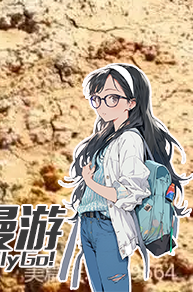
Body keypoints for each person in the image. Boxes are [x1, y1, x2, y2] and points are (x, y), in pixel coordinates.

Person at [60, 62, 189, 291]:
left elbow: (132, 191)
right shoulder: (107, 138)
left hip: (108, 226)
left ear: (132, 102)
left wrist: (90, 182)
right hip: (89, 224)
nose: (102, 106)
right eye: (97, 99)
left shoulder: (130, 138)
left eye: (111, 98)